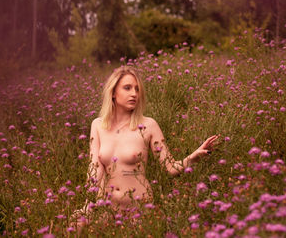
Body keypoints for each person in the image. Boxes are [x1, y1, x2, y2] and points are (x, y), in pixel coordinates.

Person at [72, 65, 219, 231]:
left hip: (138, 209)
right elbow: (94, 169)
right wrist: (87, 205)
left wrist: (193, 157)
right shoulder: (98, 125)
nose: (134, 93)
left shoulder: (148, 125)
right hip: (106, 207)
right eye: (127, 88)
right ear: (113, 92)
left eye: (137, 89)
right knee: (75, 225)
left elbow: (170, 167)